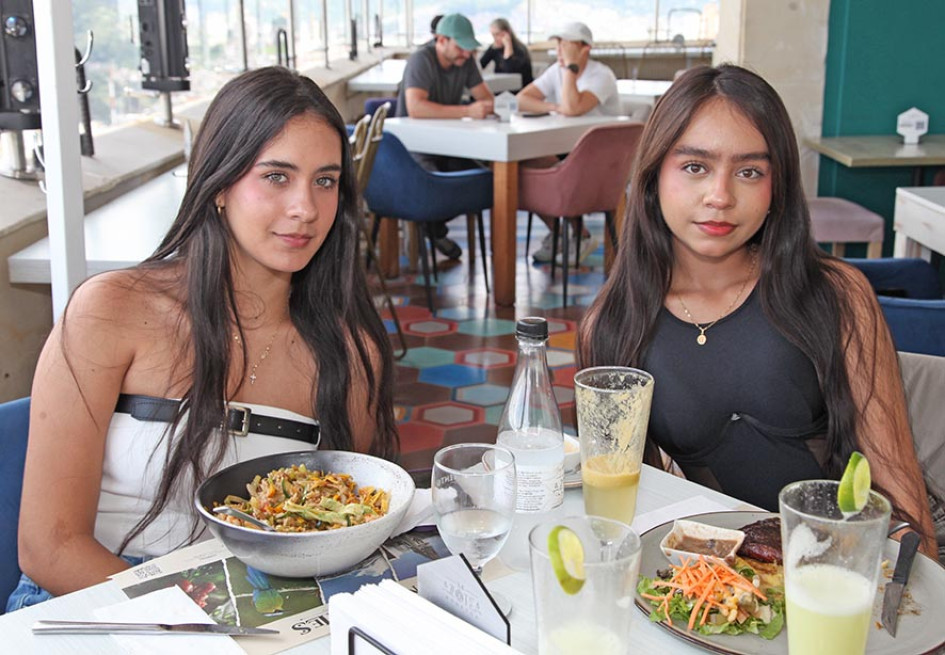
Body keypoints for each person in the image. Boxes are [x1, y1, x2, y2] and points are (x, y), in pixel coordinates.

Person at [9, 66, 399, 609]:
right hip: (93, 601)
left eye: (325, 181)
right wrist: (194, 625)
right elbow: (49, 548)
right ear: (219, 185)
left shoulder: (349, 354)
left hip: (250, 608)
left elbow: (340, 533)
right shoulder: (110, 311)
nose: (305, 209)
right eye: (276, 176)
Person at [577, 64, 937, 557]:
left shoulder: (835, 295)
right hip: (733, 581)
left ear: (776, 187)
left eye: (749, 172)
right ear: (654, 175)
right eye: (695, 167)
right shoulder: (612, 327)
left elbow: (904, 506)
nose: (720, 196)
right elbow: (631, 515)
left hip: (854, 568)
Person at [517, 22, 619, 265]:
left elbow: (573, 108)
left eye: (565, 45)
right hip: (566, 152)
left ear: (585, 49)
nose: (559, 51)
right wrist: (554, 106)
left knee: (544, 167)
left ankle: (578, 236)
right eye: (558, 45)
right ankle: (563, 234)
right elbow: (522, 99)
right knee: (521, 166)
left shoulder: (601, 75)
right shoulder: (556, 70)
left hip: (601, 163)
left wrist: (572, 68)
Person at [395, 12, 494, 261]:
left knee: (486, 182)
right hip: (413, 149)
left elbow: (486, 98)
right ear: (441, 40)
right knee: (433, 188)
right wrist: (467, 111)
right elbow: (416, 108)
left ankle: (431, 226)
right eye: (461, 47)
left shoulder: (465, 61)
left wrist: (482, 107)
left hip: (451, 147)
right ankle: (433, 227)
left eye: (469, 48)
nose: (466, 54)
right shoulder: (421, 60)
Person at [479, 18, 533, 89]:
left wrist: (508, 46)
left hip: (519, 89)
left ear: (507, 33)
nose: (495, 39)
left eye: (497, 34)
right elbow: (480, 65)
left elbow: (509, 73)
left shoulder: (520, 50)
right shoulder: (495, 48)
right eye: (493, 35)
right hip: (501, 87)